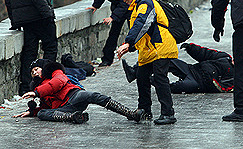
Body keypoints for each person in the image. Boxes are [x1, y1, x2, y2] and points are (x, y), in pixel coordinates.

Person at [116, 0, 178, 125]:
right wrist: (131, 46)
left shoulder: (146, 3)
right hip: (149, 49)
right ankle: (144, 110)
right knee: (141, 76)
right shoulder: (137, 5)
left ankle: (168, 113)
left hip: (160, 46)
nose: (124, 0)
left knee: (160, 78)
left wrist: (128, 43)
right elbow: (141, 31)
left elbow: (142, 24)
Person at [13, 59, 145, 124]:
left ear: (43, 68)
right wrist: (32, 112)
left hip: (74, 95)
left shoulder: (55, 72)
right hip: (65, 109)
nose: (35, 72)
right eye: (32, 72)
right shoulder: (39, 89)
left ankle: (130, 113)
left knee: (94, 96)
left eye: (37, 69)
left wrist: (36, 93)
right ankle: (75, 117)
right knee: (42, 113)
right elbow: (47, 107)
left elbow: (58, 82)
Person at [122, 43, 234, 94]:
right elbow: (207, 54)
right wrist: (191, 48)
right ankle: (135, 72)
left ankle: (150, 80)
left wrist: (211, 81)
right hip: (192, 69)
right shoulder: (225, 57)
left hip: (198, 83)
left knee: (175, 87)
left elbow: (222, 88)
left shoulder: (236, 77)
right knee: (167, 61)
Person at [86, 0, 141, 67]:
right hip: (118, 9)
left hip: (130, 8)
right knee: (113, 34)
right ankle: (107, 59)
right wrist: (95, 6)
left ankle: (143, 58)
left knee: (136, 34)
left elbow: (124, 4)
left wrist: (112, 17)